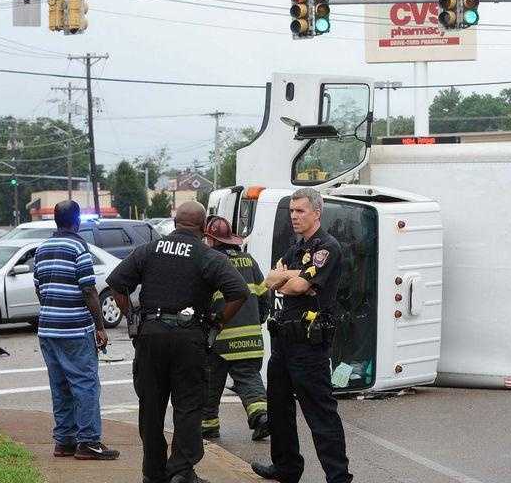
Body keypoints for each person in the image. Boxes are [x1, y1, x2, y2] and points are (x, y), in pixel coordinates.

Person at [107, 201, 250, 483]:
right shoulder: (207, 256)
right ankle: (182, 471)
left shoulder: (149, 250)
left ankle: (153, 473)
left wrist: (132, 317)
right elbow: (239, 292)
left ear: (174, 222)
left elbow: (116, 283)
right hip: (189, 339)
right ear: (203, 226)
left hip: (150, 337)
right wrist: (218, 321)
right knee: (188, 406)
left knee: (151, 408)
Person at [251, 188, 353, 483]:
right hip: (283, 342)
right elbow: (270, 279)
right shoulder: (296, 248)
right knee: (278, 408)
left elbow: (295, 287)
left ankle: (338, 476)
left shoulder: (327, 247)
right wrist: (292, 276)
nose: (294, 216)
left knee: (320, 414)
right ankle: (286, 468)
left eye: (300, 211)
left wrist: (290, 278)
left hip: (310, 344)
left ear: (316, 213)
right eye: (292, 211)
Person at [34, 201, 119, 460]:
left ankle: (64, 441)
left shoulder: (42, 248)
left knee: (60, 386)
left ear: (56, 220)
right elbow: (89, 290)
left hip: (48, 329)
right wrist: (100, 326)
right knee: (85, 385)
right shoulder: (78, 247)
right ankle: (89, 442)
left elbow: (39, 287)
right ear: (76, 220)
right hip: (74, 329)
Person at [201, 215, 271, 442]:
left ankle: (208, 425)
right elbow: (263, 294)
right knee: (249, 379)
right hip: (251, 337)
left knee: (211, 381)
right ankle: (261, 418)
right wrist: (258, 319)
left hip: (220, 338)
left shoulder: (210, 260)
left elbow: (202, 298)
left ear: (211, 240)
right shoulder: (248, 260)